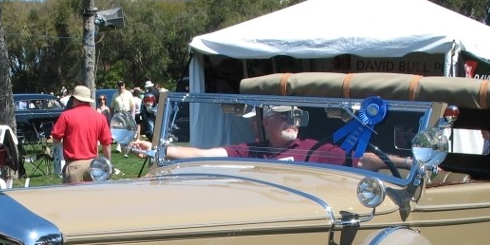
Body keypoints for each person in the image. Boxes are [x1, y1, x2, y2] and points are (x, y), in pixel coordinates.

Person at [130, 105, 410, 171]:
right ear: (265, 122)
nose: (291, 121)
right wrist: (158, 148)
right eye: (283, 116)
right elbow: (207, 153)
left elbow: (365, 161)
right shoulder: (252, 150)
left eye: (294, 116)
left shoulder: (314, 150)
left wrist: (407, 163)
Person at [50, 84, 112, 183]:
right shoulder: (100, 117)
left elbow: (56, 138)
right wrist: (107, 165)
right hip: (94, 166)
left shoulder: (66, 116)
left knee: (73, 198)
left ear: (76, 99)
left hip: (74, 166)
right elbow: (107, 144)